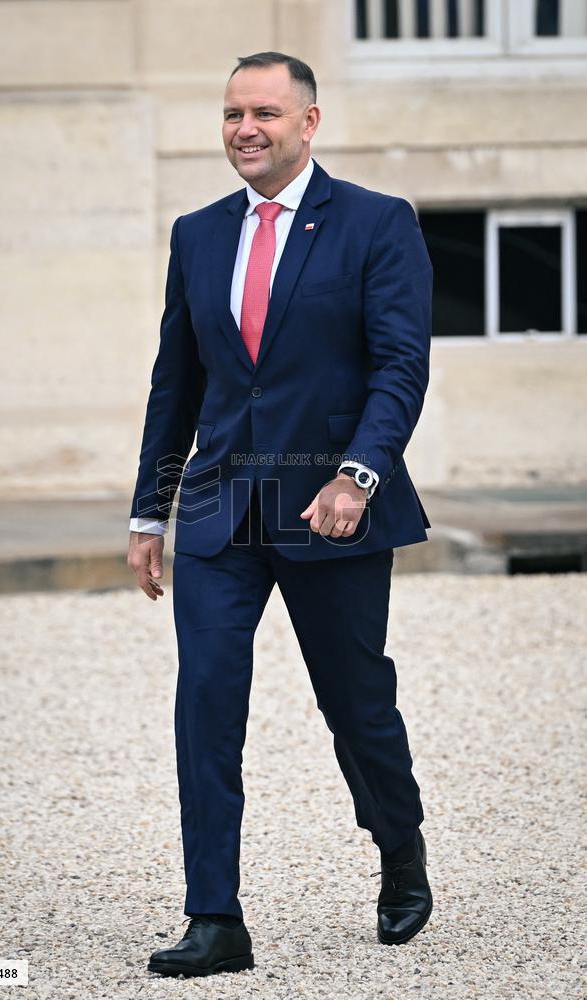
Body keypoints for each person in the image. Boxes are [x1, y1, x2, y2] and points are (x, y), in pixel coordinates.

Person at [128, 51, 433, 978]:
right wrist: (152, 510)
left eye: (264, 111)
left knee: (357, 705)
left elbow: (400, 366)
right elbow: (176, 380)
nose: (244, 129)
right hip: (221, 514)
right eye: (231, 114)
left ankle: (400, 854)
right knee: (206, 709)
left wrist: (358, 476)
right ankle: (215, 918)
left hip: (331, 507)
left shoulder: (378, 224)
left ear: (309, 122)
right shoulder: (196, 233)